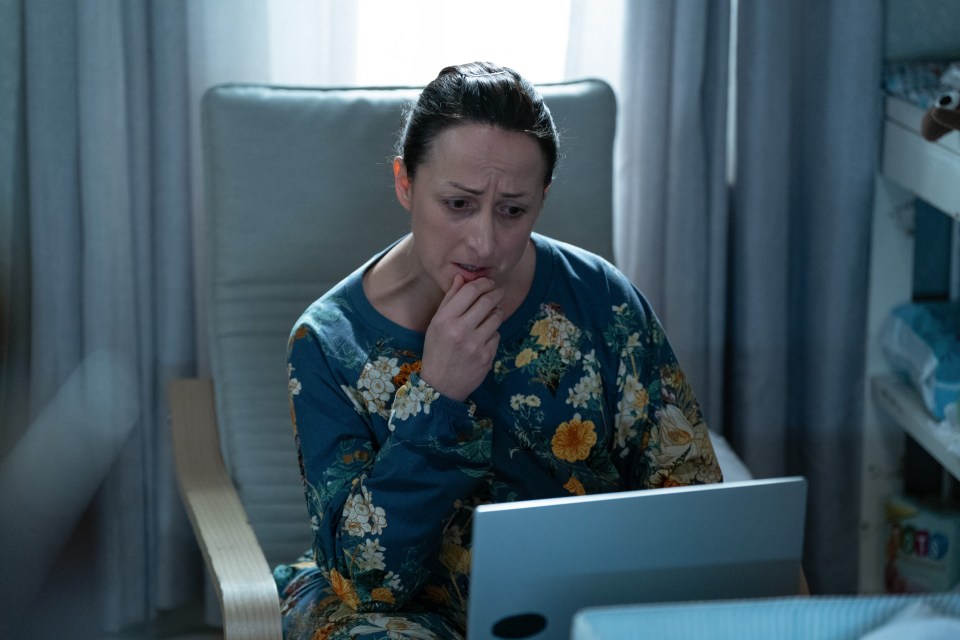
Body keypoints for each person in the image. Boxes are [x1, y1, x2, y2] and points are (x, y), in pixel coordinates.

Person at [277, 61, 722, 640]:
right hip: (408, 611)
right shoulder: (328, 343)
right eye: (458, 204)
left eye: (513, 211)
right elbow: (367, 582)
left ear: (542, 198)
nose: (484, 242)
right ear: (404, 183)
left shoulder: (601, 299)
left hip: (585, 596)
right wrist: (437, 395)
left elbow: (688, 497)